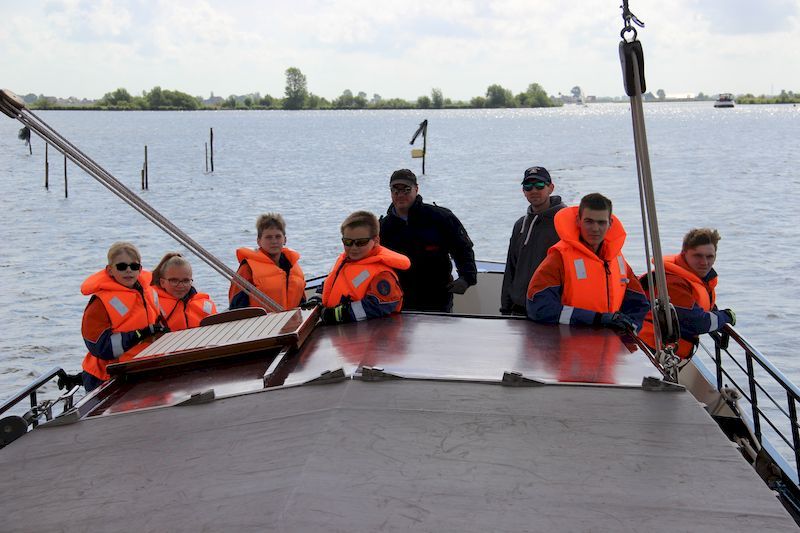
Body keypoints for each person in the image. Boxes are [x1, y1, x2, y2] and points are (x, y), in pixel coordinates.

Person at [526, 193, 650, 331]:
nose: (595, 229)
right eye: (589, 221)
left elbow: (639, 304)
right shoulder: (559, 258)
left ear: (610, 223)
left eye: (601, 222)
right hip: (569, 340)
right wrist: (596, 319)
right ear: (578, 221)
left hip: (608, 340)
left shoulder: (618, 260)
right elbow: (539, 307)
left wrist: (630, 328)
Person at [379, 169, 477, 312]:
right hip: (399, 303)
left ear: (416, 189)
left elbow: (463, 249)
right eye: (395, 190)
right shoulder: (382, 227)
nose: (400, 195)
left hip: (437, 301)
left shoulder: (441, 217)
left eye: (406, 190)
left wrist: (466, 278)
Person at [639, 228, 735, 359]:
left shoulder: (690, 278)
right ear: (684, 254)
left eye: (710, 257)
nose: (704, 262)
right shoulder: (673, 283)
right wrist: (726, 316)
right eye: (698, 256)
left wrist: (715, 314)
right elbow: (699, 323)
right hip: (652, 349)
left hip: (662, 349)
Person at [81, 242, 165, 392]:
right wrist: (140, 334)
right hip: (106, 377)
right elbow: (101, 348)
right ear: (110, 270)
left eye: (134, 266)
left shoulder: (150, 293)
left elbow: (159, 324)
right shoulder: (100, 302)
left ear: (140, 269)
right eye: (121, 266)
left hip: (140, 369)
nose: (128, 270)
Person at [317, 210, 410, 324]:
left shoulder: (382, 274)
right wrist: (317, 298)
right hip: (341, 330)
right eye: (347, 242)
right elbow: (332, 282)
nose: (354, 247)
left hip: (370, 332)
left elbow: (378, 305)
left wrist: (338, 314)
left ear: (376, 240)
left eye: (361, 242)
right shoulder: (344, 262)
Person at [500, 166, 566, 316]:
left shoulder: (566, 222)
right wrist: (505, 309)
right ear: (523, 191)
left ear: (551, 188)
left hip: (551, 310)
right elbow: (511, 269)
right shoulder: (520, 225)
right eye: (528, 186)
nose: (534, 190)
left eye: (540, 185)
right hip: (519, 309)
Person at [229, 213, 305, 311]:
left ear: (285, 239)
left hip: (292, 319)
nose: (274, 241)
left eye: (278, 236)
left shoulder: (292, 266)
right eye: (268, 237)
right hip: (263, 321)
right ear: (259, 241)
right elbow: (236, 309)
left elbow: (302, 303)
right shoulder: (247, 269)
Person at [151, 252, 217, 331]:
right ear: (162, 282)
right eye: (174, 280)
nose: (180, 285)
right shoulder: (151, 305)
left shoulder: (205, 305)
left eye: (186, 281)